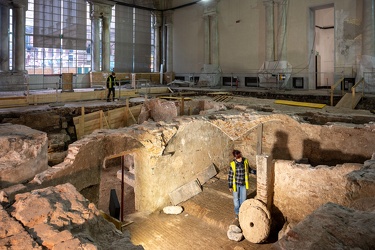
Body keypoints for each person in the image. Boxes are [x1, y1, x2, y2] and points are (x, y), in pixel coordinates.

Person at [228, 149, 251, 219]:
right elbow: (230, 176)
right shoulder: (233, 164)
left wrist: (256, 172)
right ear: (235, 158)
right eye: (238, 157)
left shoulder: (245, 161)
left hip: (243, 184)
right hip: (236, 185)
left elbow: (249, 170)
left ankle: (242, 210)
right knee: (236, 199)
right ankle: (237, 212)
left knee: (243, 198)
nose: (240, 158)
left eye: (240, 156)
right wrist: (230, 186)